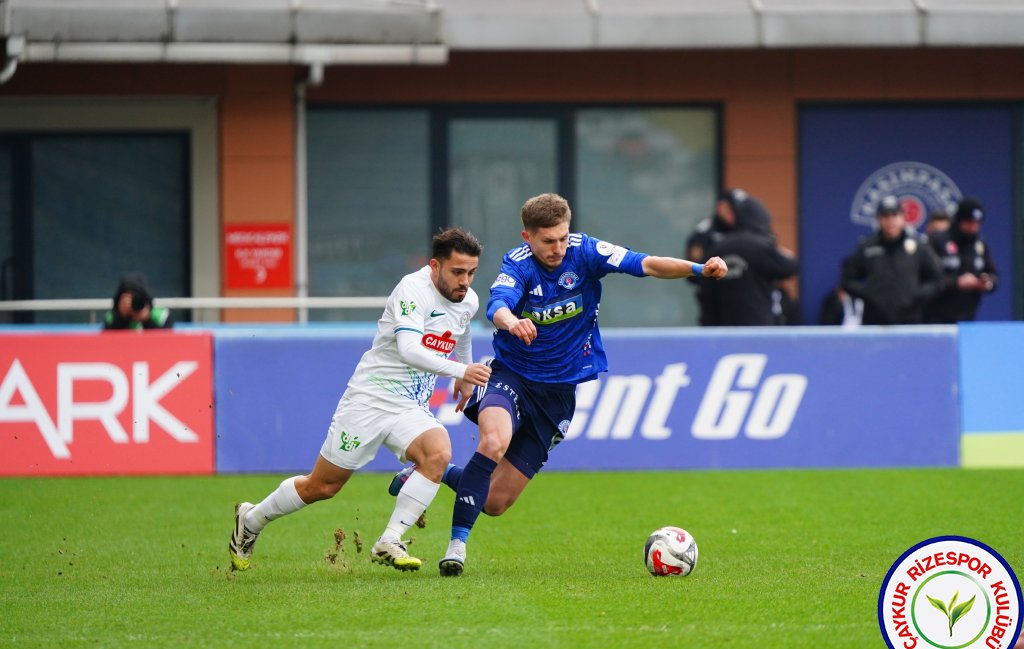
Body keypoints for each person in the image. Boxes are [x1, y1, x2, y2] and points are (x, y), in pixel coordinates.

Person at [391, 193, 727, 576]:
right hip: (512, 376)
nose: (558, 248)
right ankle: (457, 547)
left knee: (496, 502)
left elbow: (646, 264)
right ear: (528, 237)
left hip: (558, 396)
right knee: (493, 442)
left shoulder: (586, 252)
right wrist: (512, 322)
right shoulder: (518, 264)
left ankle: (430, 473)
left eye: (563, 238)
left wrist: (699, 269)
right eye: (548, 240)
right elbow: (497, 305)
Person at [228, 228, 492, 572]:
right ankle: (251, 519)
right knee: (323, 486)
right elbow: (409, 350)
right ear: (434, 266)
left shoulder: (467, 299)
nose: (465, 281)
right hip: (370, 399)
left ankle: (389, 540)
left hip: (409, 406)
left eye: (471, 273)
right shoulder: (412, 290)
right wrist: (461, 369)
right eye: (457, 272)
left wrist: (463, 376)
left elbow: (463, 328)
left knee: (438, 453)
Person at [839, 195, 944, 325]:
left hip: (910, 320)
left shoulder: (918, 246)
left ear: (903, 218)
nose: (890, 220)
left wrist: (917, 295)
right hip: (874, 320)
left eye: (895, 215)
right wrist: (868, 293)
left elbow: (937, 280)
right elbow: (847, 280)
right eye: (885, 216)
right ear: (878, 219)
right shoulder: (867, 247)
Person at [700, 190, 799, 326]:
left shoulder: (717, 248)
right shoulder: (761, 247)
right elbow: (791, 266)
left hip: (720, 326)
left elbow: (699, 277)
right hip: (757, 325)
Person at [924, 197, 998, 323]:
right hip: (936, 317)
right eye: (969, 222)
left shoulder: (978, 243)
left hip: (968, 318)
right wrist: (956, 282)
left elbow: (993, 275)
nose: (973, 227)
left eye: (977, 223)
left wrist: (987, 283)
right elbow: (927, 279)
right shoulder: (938, 240)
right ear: (959, 221)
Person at [102, 273, 173, 330]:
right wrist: (121, 318)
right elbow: (105, 340)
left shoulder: (161, 316)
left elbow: (168, 340)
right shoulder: (111, 317)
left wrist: (147, 321)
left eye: (136, 298)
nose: (133, 303)